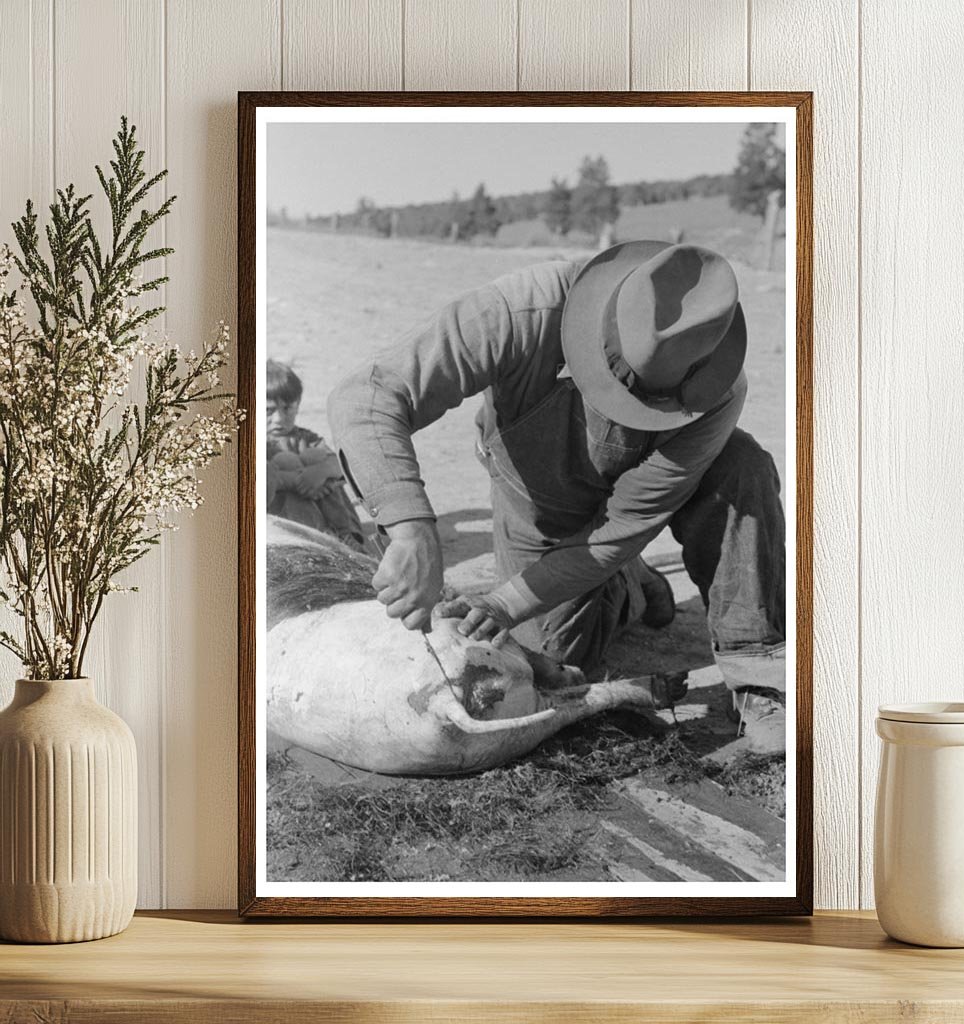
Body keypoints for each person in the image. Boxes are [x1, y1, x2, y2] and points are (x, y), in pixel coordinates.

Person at [328, 242, 786, 751]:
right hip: (539, 498)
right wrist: (413, 530)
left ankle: (761, 678)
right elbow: (366, 395)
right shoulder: (522, 310)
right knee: (546, 656)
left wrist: (504, 601)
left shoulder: (717, 387)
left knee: (742, 466)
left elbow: (623, 526)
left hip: (636, 509)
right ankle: (630, 588)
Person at [266, 359, 364, 551]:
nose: (279, 419)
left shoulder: (307, 438)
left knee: (321, 462)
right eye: (268, 410)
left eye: (287, 408)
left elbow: (341, 464)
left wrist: (322, 472)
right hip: (286, 516)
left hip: (327, 513)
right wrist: (297, 480)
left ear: (298, 405)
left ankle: (346, 534)